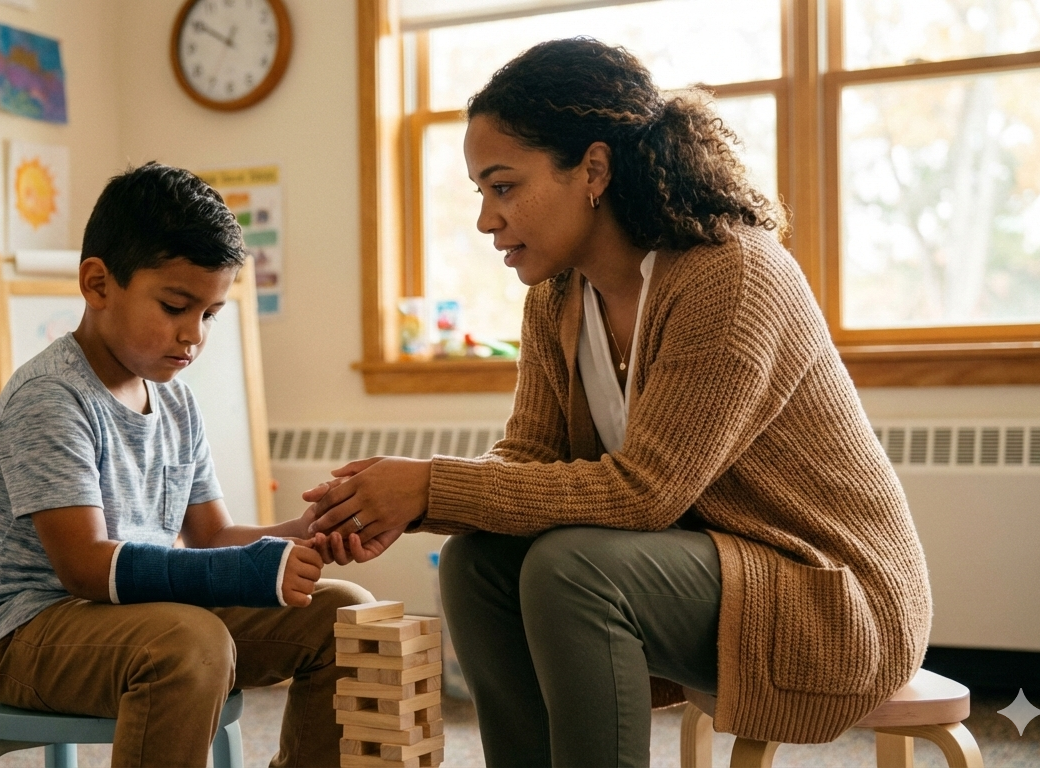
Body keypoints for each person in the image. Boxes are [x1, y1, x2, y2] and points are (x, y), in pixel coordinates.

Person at [305, 38, 932, 767]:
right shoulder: (557, 295)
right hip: (712, 573)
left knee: (575, 568)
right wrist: (405, 505)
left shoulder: (731, 275)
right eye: (480, 192)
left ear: (594, 170)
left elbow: (648, 493)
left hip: (833, 599)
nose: (485, 219)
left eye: (503, 187)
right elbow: (529, 460)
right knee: (479, 563)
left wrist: (426, 485)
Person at [0, 162, 373, 768]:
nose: (194, 336)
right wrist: (243, 574)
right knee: (191, 644)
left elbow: (212, 538)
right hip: (31, 632)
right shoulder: (49, 398)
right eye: (176, 306)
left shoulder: (174, 399)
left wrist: (308, 532)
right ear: (98, 285)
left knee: (345, 615)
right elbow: (83, 569)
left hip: (148, 617)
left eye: (208, 315)